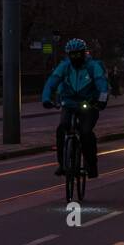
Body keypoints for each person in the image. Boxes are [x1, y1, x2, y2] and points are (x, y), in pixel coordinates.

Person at [41, 38, 109, 179]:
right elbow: (51, 83)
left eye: (78, 54)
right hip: (69, 104)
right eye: (72, 55)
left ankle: (91, 164)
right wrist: (46, 99)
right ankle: (62, 164)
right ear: (68, 55)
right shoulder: (64, 66)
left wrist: (101, 101)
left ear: (84, 53)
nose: (75, 57)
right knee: (62, 128)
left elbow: (102, 84)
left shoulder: (93, 66)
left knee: (85, 132)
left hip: (89, 104)